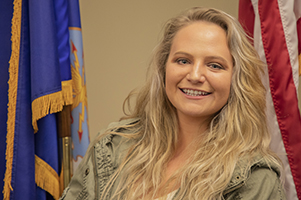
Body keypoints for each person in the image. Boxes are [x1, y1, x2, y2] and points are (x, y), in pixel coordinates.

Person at [60, 7, 285, 200]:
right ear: (164, 69)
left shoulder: (256, 175)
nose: (195, 75)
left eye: (215, 65)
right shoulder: (111, 146)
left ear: (237, 79)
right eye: (183, 60)